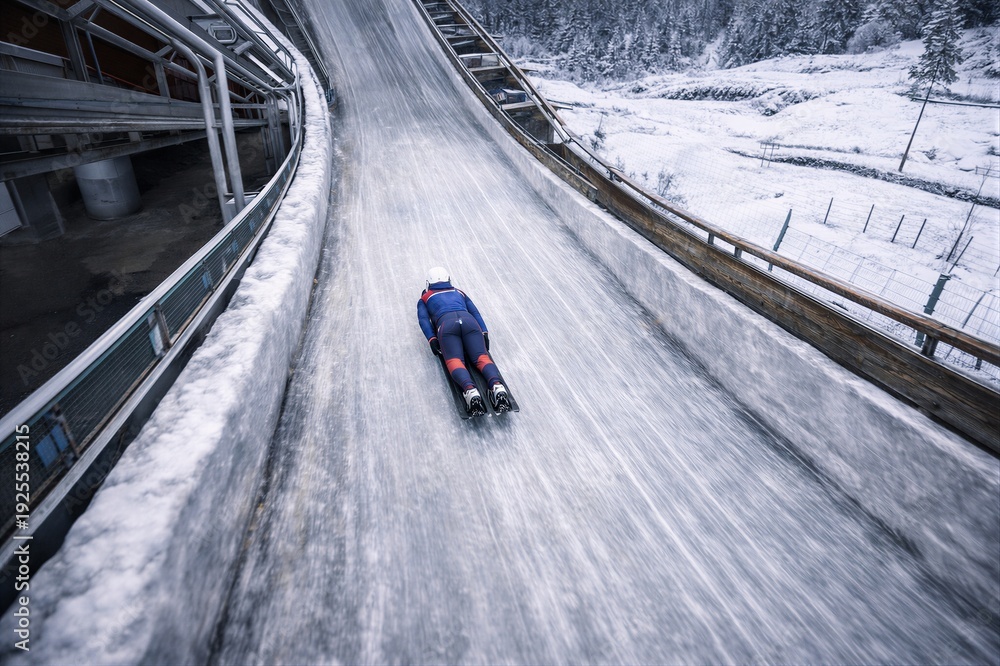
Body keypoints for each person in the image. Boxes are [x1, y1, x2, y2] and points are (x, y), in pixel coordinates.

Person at [417, 266, 510, 415]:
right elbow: (475, 312)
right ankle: (497, 387)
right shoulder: (459, 292)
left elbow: (423, 320)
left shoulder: (425, 298)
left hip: (447, 325)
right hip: (469, 322)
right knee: (482, 357)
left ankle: (470, 391)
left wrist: (432, 339)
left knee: (454, 361)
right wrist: (484, 332)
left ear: (429, 283)